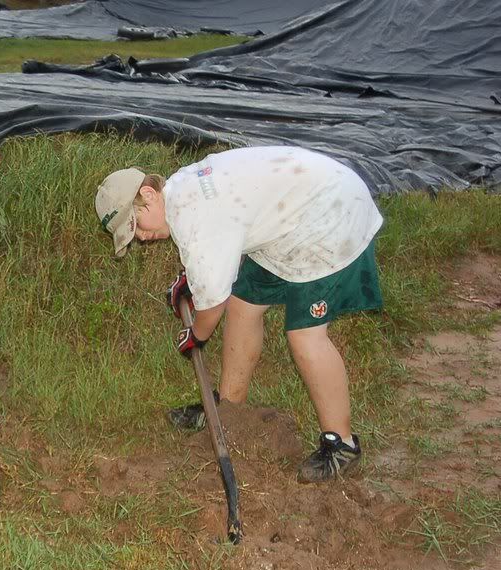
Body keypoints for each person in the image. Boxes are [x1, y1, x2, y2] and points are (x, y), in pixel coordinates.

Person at [93, 146, 383, 483]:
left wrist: (196, 336)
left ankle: (342, 445)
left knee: (305, 334)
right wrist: (194, 282)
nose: (141, 237)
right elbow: (221, 248)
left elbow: (211, 303)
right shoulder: (183, 190)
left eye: (136, 226)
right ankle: (229, 412)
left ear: (148, 194)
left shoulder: (194, 217)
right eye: (132, 236)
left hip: (330, 215)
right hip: (292, 218)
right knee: (243, 305)